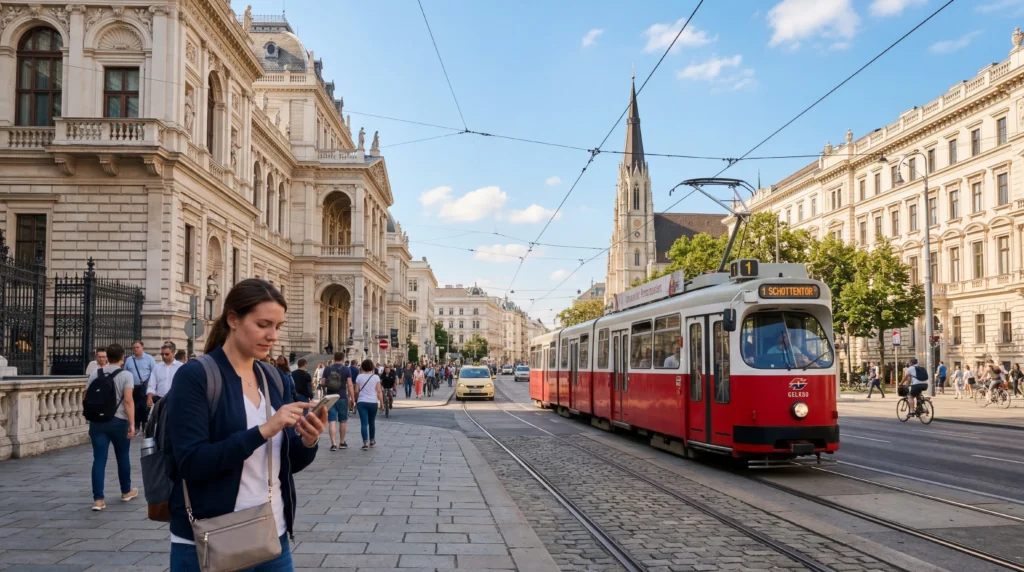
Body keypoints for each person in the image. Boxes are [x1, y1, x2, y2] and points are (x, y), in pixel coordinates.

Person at [165, 278, 326, 570]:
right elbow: (191, 463)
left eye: (277, 327)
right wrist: (263, 431)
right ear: (233, 319)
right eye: (263, 324)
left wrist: (308, 440)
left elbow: (283, 464)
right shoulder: (196, 377)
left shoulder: (273, 378)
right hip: (210, 539)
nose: (272, 336)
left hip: (271, 536)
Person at [87, 343, 138, 511]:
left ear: (107, 357)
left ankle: (98, 500)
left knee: (99, 459)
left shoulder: (96, 373)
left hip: (97, 423)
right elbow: (129, 401)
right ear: (123, 357)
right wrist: (132, 423)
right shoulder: (126, 375)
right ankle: (126, 491)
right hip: (119, 421)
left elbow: (87, 396)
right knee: (122, 456)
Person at [323, 352, 353, 451]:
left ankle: (333, 444)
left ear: (334, 358)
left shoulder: (327, 368)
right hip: (342, 397)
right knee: (342, 421)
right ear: (343, 359)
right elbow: (349, 384)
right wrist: (352, 398)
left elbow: (323, 383)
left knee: (332, 421)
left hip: (330, 397)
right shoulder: (346, 369)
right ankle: (342, 442)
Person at [124, 341, 156, 433]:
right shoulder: (129, 359)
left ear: (142, 347)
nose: (135, 349)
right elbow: (125, 371)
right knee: (134, 406)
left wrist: (149, 382)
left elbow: (154, 372)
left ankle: (144, 424)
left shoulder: (149, 359)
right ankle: (136, 425)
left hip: (144, 386)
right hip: (132, 387)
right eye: (134, 347)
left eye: (137, 347)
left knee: (144, 406)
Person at [353, 359, 384, 451]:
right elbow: (379, 391)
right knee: (371, 422)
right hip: (373, 402)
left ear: (362, 367)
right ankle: (372, 440)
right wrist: (381, 402)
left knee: (363, 423)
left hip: (362, 402)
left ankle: (365, 443)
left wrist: (354, 400)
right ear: (372, 367)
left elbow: (356, 391)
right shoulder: (376, 377)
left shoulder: (359, 377)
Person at [147, 343, 182, 408]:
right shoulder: (157, 367)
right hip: (159, 400)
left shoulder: (180, 367)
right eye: (162, 354)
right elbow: (151, 385)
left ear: (173, 353)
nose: (164, 356)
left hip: (176, 400)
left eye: (166, 354)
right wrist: (149, 397)